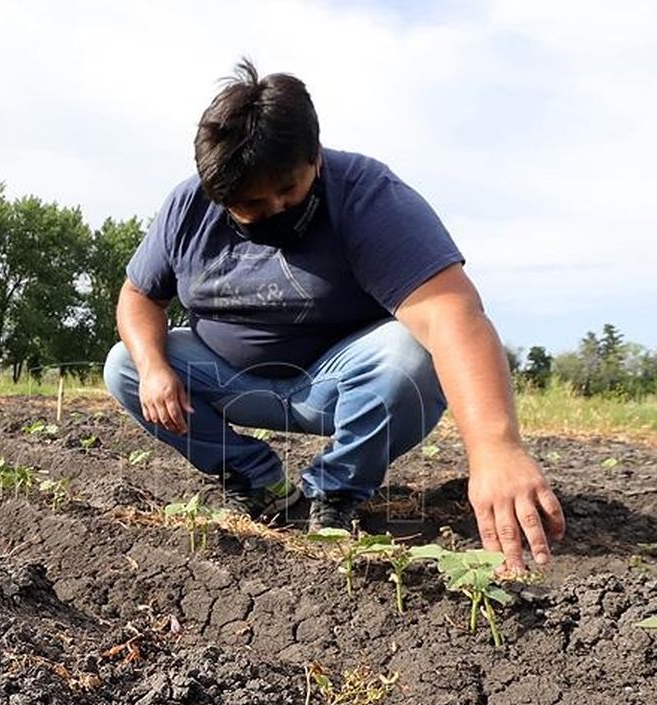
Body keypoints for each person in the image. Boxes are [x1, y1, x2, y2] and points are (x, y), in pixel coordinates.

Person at [103, 59, 565, 575]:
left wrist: (495, 448)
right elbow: (138, 296)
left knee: (410, 356)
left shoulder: (368, 196)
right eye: (251, 204)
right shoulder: (187, 209)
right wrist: (154, 367)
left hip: (340, 384)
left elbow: (450, 312)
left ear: (315, 159)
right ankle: (257, 480)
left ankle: (334, 493)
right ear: (219, 194)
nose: (275, 208)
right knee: (126, 363)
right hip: (233, 380)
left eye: (288, 190)